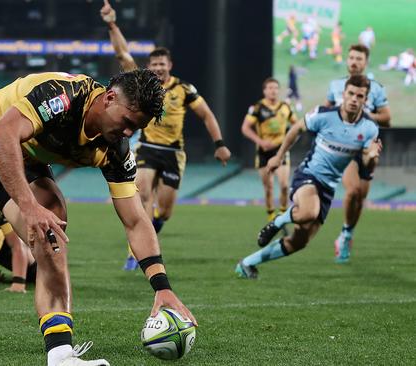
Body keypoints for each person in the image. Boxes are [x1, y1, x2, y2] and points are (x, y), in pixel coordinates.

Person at [0, 68, 196, 366]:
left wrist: (161, 286)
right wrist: (28, 207)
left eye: (136, 128)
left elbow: (136, 220)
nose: (127, 131)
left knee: (51, 229)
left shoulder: (116, 148)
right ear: (109, 97)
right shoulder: (63, 96)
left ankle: (60, 354)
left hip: (23, 159)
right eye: (126, 121)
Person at [100, 0, 231, 270]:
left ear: (170, 65)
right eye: (154, 64)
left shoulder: (184, 89)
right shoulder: (143, 83)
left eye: (162, 63)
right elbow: (123, 54)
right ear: (150, 66)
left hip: (173, 153)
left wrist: (219, 144)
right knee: (144, 195)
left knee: (166, 211)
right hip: (147, 148)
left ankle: (149, 235)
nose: (158, 68)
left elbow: (206, 114)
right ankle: (134, 254)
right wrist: (112, 24)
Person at [235, 75, 380, 279]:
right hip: (309, 175)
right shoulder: (323, 114)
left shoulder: (369, 128)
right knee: (309, 212)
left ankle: (247, 263)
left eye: (360, 95)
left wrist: (371, 157)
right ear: (343, 94)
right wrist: (278, 157)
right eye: (351, 94)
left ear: (365, 99)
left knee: (299, 242)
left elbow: (366, 167)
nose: (354, 99)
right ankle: (278, 222)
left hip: (329, 188)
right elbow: (296, 129)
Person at [326, 44, 391, 263]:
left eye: (359, 59)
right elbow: (326, 110)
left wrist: (366, 115)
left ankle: (347, 233)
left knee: (360, 198)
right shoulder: (336, 85)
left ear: (366, 62)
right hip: (345, 147)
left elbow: (387, 118)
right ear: (346, 60)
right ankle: (345, 236)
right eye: (351, 57)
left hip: (369, 147)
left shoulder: (376, 88)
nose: (354, 62)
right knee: (352, 191)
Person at [241, 78, 297, 222]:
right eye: (270, 88)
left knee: (284, 185)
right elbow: (245, 128)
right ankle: (271, 215)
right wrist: (260, 141)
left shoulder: (285, 107)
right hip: (264, 152)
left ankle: (283, 214)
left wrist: (288, 139)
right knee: (269, 187)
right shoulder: (257, 108)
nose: (273, 91)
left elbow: (297, 126)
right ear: (264, 91)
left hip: (281, 151)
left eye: (275, 88)